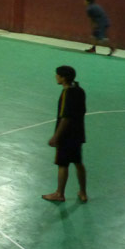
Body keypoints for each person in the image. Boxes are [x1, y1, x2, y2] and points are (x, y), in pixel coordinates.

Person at [42, 65, 87, 203]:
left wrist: (56, 137)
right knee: (78, 163)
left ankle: (59, 194)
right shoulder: (79, 90)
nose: (56, 77)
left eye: (58, 75)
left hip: (66, 136)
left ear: (63, 78)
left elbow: (65, 117)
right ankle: (83, 192)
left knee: (63, 164)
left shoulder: (67, 93)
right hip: (78, 133)